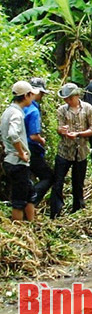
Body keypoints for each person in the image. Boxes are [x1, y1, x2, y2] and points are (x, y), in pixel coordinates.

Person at [51, 83, 92, 218]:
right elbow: (59, 128)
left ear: (77, 96)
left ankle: (78, 209)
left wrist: (79, 134)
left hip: (81, 151)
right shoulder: (62, 110)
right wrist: (62, 130)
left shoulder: (87, 108)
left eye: (70, 98)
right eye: (66, 99)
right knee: (58, 182)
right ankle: (55, 212)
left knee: (78, 183)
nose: (68, 101)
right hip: (64, 151)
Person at [2, 81, 37, 221]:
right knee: (19, 201)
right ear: (26, 95)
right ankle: (19, 231)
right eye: (31, 95)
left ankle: (32, 225)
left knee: (30, 194)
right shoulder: (16, 114)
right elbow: (13, 134)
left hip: (11, 161)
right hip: (17, 162)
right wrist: (21, 153)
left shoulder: (8, 112)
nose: (33, 98)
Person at [24, 78, 53, 205]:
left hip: (19, 149)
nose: (41, 97)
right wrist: (42, 140)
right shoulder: (33, 110)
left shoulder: (20, 107)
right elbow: (33, 136)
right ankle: (31, 202)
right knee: (48, 177)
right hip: (31, 149)